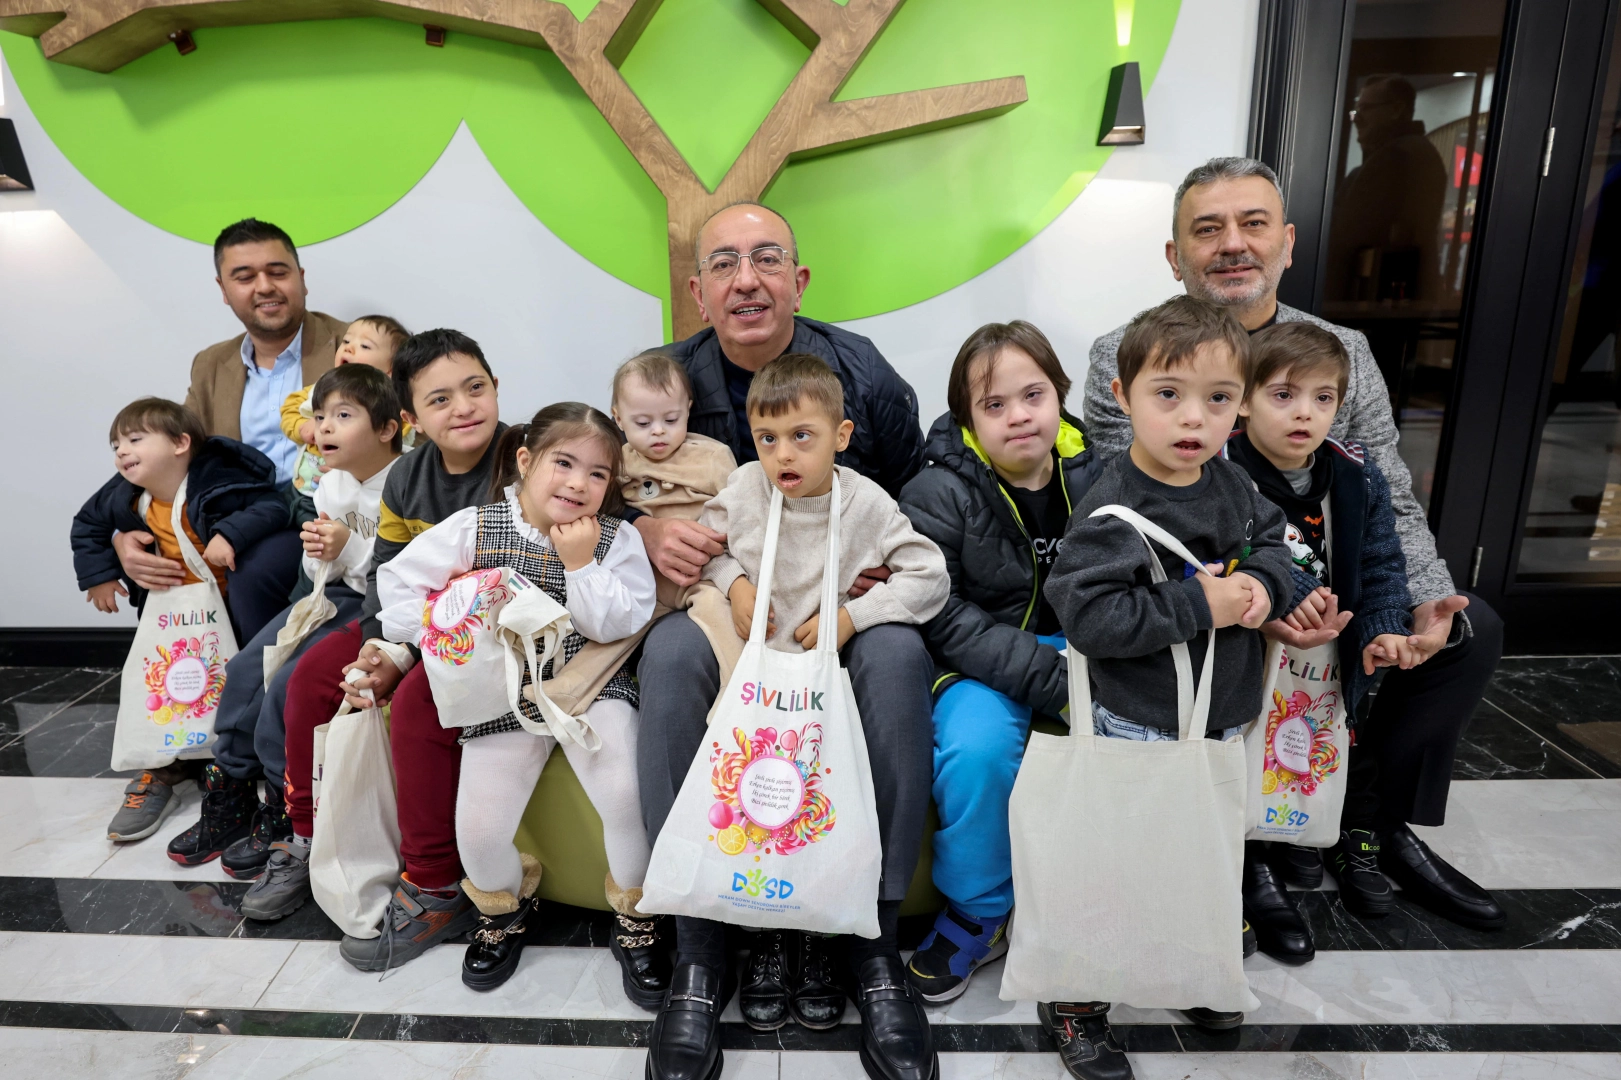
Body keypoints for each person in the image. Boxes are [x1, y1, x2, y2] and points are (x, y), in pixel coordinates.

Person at [1083, 156, 1507, 941]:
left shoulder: (1340, 349)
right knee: (1235, 640)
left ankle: (1366, 824)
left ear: (1285, 243)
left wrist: (1423, 601)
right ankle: (1246, 841)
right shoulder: (1128, 352)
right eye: (1206, 229)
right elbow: (1133, 509)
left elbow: (1386, 486)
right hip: (1228, 581)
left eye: (1252, 224)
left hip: (1333, 566)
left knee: (1465, 630)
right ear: (1174, 256)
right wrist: (1259, 600)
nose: (1231, 244)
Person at [637, 202, 938, 1080]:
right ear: (698, 292)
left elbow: (917, 497)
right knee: (670, 655)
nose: (746, 279)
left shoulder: (862, 372)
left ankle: (873, 938)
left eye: (766, 259)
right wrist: (648, 531)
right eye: (723, 264)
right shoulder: (667, 380)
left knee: (896, 656)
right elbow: (608, 482)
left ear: (798, 281)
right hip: (735, 614)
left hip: (840, 613)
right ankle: (699, 943)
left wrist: (864, 594)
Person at [1044, 296, 1295, 1080]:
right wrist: (1199, 606)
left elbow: (1277, 546)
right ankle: (1076, 997)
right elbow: (1089, 617)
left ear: (1240, 405)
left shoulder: (1231, 484)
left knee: (1194, 861)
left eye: (1216, 398)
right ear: (1121, 397)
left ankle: (1186, 971)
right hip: (1136, 722)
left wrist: (1263, 586)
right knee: (1115, 869)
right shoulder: (1111, 508)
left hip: (1218, 720)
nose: (1193, 417)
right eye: (1167, 394)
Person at [373, 403, 658, 994]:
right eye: (564, 463)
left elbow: (619, 621)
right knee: (479, 830)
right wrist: (444, 620)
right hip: (502, 691)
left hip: (589, 683)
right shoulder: (477, 527)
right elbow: (399, 582)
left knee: (625, 794)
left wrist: (580, 566)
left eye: (598, 473)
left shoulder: (615, 538)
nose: (578, 483)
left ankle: (637, 916)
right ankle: (505, 910)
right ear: (526, 460)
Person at [263, 330, 505, 962]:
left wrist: (407, 658)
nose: (463, 407)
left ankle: (435, 882)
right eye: (440, 399)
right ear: (413, 419)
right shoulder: (407, 478)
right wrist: (380, 646)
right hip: (414, 621)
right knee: (312, 676)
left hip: (493, 631)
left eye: (475, 388)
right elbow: (388, 576)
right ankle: (308, 835)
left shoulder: (523, 458)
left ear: (496, 388)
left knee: (422, 702)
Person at [1225, 324, 1469, 924]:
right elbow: (1224, 550)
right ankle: (1251, 853)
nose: (1305, 412)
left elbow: (1381, 563)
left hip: (1329, 656)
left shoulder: (1358, 474)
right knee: (1244, 746)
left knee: (1327, 741)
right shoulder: (1220, 468)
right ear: (1244, 400)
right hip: (1249, 649)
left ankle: (1324, 830)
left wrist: (1385, 628)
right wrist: (1287, 590)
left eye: (1323, 397)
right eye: (1284, 395)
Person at [895, 321, 1100, 1003]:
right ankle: (978, 911)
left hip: (1085, 650)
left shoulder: (1101, 475)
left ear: (1059, 395)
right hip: (975, 661)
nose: (1018, 416)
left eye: (1032, 395)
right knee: (977, 755)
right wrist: (1049, 680)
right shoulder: (935, 492)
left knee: (1151, 733)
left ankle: (1135, 891)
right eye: (993, 405)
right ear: (967, 420)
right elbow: (938, 610)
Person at [172, 365, 402, 887]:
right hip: (336, 594)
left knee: (286, 686)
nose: (324, 427)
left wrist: (349, 547)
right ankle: (232, 790)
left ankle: (282, 802)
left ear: (388, 428)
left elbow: (399, 571)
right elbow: (324, 573)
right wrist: (320, 551)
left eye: (343, 415)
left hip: (379, 605)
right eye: (320, 416)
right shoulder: (331, 483)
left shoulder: (403, 483)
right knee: (245, 668)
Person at [70, 398, 283, 843]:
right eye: (116, 444)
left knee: (226, 677)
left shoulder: (218, 479)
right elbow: (88, 524)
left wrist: (231, 534)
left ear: (181, 443)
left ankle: (228, 755)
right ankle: (165, 758)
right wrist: (100, 576)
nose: (122, 451)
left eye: (134, 439)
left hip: (225, 604)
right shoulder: (123, 492)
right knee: (166, 680)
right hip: (169, 611)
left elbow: (271, 506)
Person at [280, 315, 413, 514]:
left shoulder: (395, 405)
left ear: (391, 371)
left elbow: (392, 448)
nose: (348, 348)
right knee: (266, 512)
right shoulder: (324, 387)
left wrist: (353, 470)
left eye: (365, 346)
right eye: (346, 341)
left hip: (340, 497)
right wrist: (301, 425)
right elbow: (290, 407)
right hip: (298, 486)